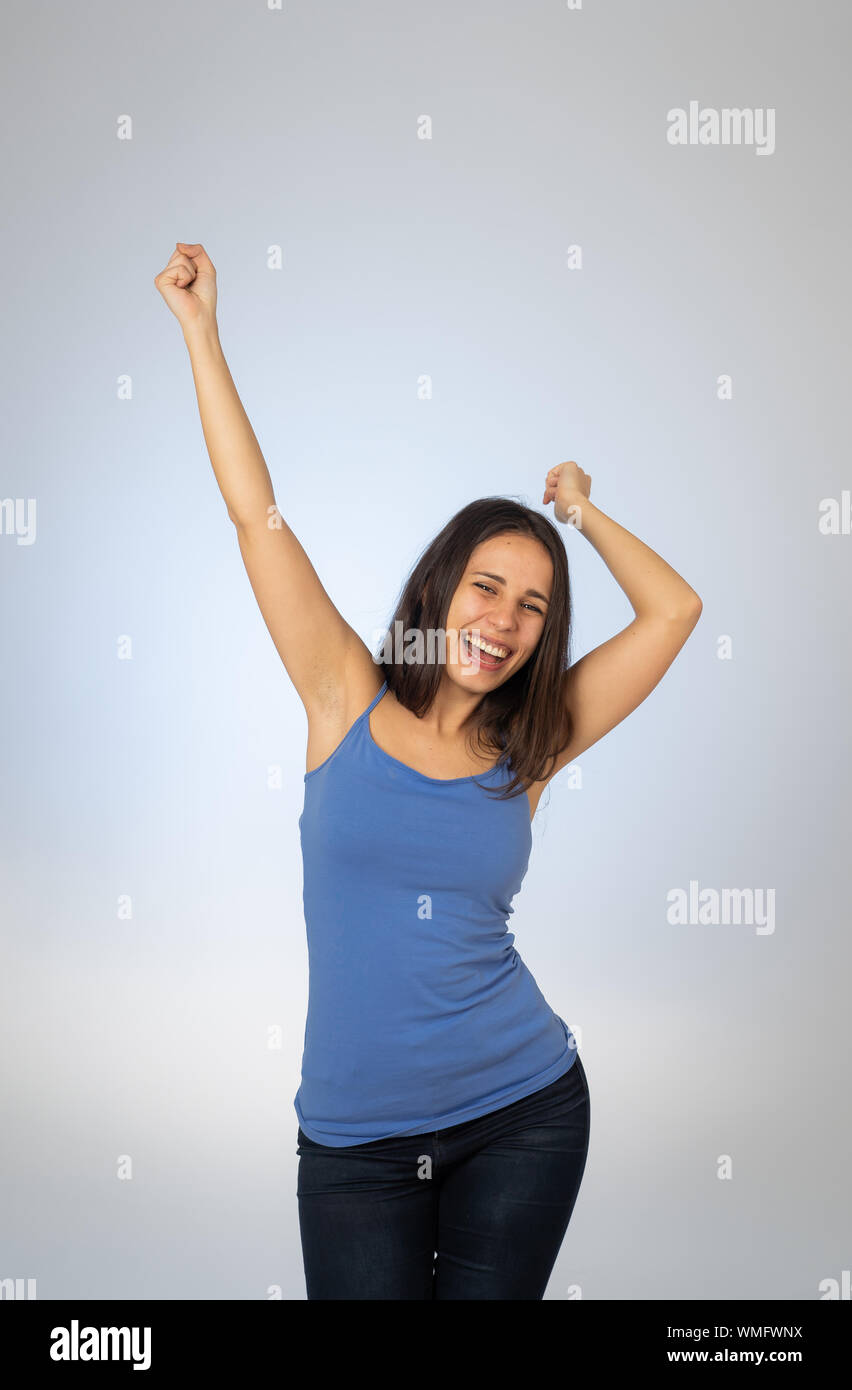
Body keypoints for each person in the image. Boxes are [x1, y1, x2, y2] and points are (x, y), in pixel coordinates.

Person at [155, 242, 703, 1300]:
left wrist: (579, 512)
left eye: (533, 606)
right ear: (442, 587)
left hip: (523, 1113)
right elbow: (253, 514)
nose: (502, 620)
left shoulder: (533, 747)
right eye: (488, 587)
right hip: (356, 1144)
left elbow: (675, 611)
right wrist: (200, 331)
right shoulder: (342, 695)